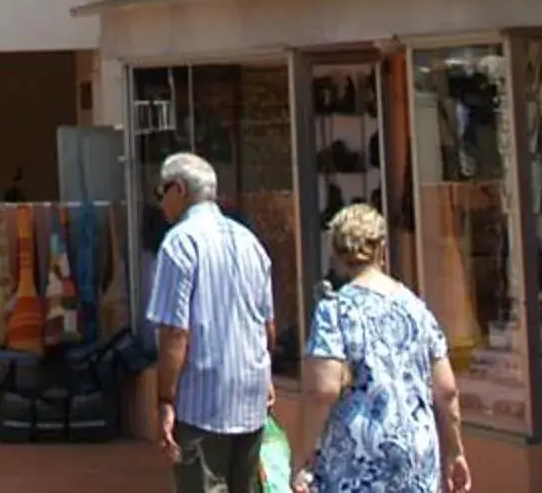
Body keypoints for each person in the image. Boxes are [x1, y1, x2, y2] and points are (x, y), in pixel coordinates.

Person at [290, 204, 469, 493]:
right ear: (382, 249)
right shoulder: (416, 308)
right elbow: (446, 390)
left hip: (359, 456)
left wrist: (300, 459)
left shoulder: (335, 310)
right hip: (418, 452)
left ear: (336, 253)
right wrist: (455, 451)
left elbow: (321, 391)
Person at [147, 151, 276, 493]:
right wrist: (265, 376)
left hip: (202, 400)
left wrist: (165, 400)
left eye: (162, 193)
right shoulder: (250, 241)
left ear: (179, 190)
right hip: (250, 397)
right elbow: (267, 325)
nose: (161, 204)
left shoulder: (180, 243)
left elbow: (175, 333)